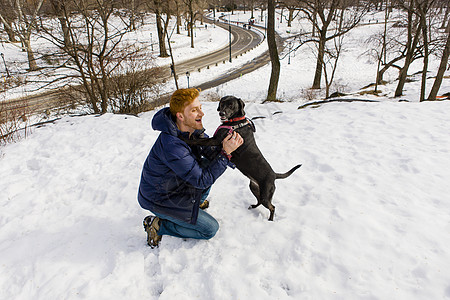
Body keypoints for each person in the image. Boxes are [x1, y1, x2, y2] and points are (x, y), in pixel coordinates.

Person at [138, 88, 243, 248]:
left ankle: (195, 203)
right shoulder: (172, 146)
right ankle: (158, 225)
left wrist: (228, 148)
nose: (202, 114)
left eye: (200, 108)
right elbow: (201, 180)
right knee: (209, 229)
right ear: (180, 116)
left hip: (174, 186)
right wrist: (225, 154)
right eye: (195, 110)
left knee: (208, 164)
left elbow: (210, 153)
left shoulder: (190, 130)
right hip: (160, 199)